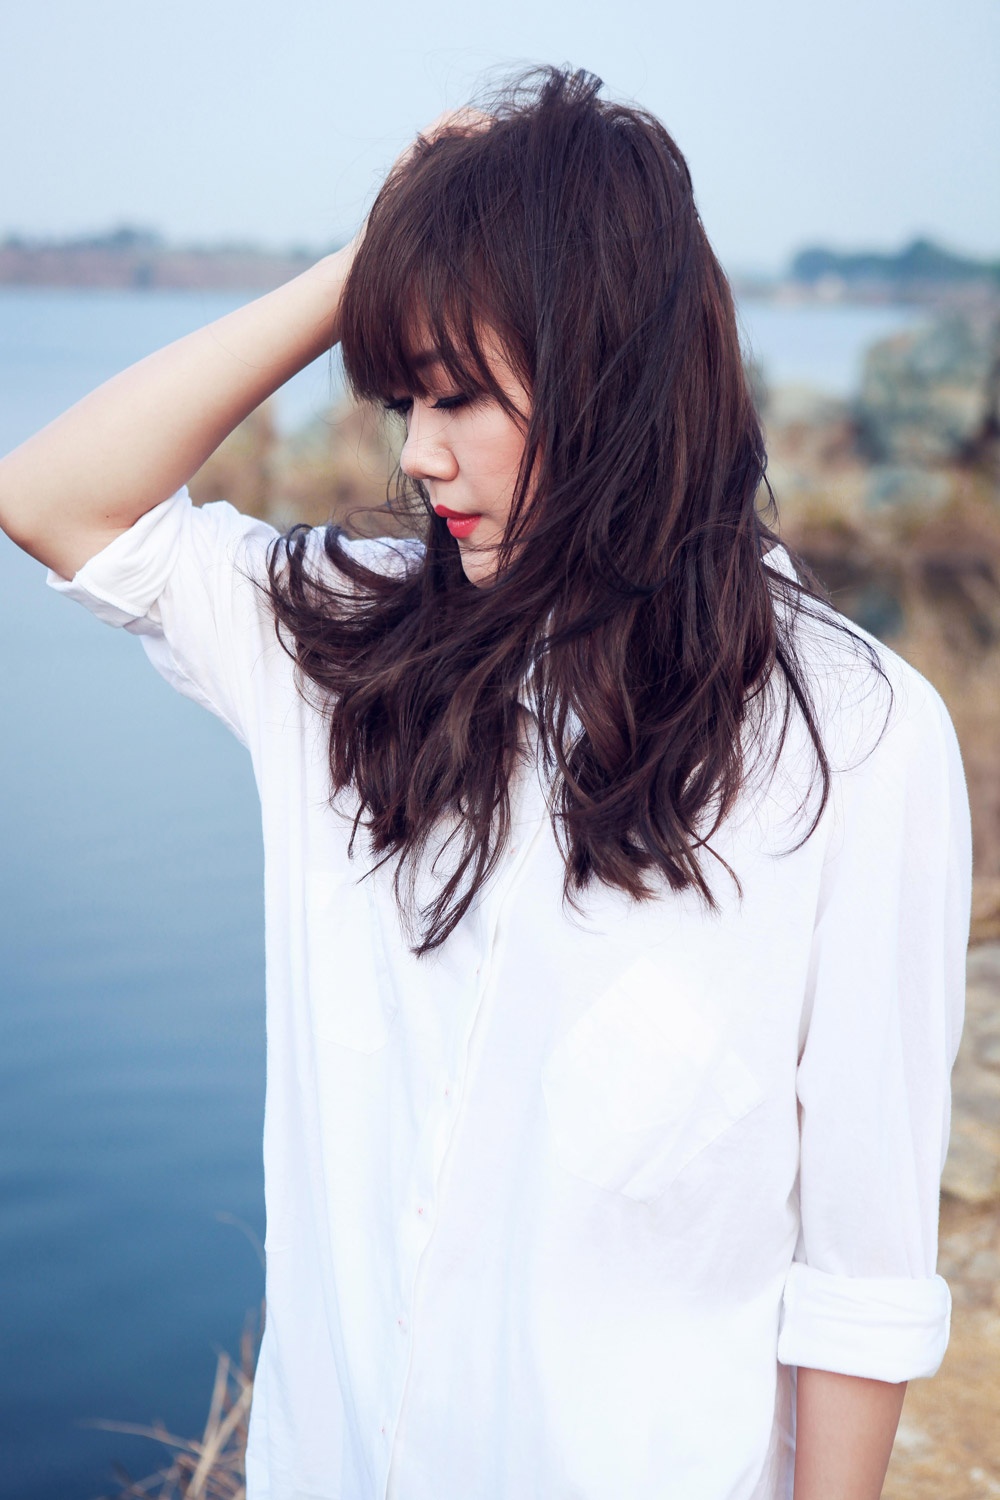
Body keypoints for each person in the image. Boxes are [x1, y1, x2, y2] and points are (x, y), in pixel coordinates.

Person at [0, 67, 970, 1500]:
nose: (418, 453)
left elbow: (861, 1274)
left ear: (609, 370)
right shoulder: (349, 645)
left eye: (459, 394)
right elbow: (51, 497)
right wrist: (375, 258)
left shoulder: (855, 735)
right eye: (404, 396)